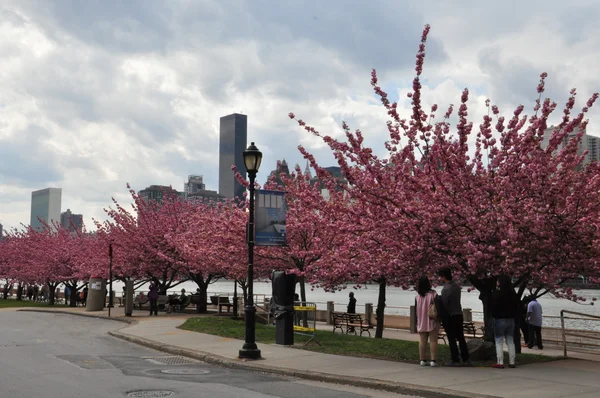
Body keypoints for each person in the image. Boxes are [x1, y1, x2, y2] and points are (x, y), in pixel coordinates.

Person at [438, 267, 470, 366]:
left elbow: (445, 304)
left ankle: (455, 359)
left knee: (451, 338)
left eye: (440, 277)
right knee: (461, 338)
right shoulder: (456, 286)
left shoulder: (445, 289)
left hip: (450, 316)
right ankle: (466, 359)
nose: (439, 279)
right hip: (458, 314)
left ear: (443, 277)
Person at [491, 275, 519, 369]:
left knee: (499, 341)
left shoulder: (497, 294)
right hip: (511, 320)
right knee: (510, 341)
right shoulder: (513, 294)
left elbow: (493, 308)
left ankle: (500, 362)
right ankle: (512, 361)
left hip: (499, 319)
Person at [415, 276, 439, 367]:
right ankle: (433, 360)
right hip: (432, 319)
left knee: (422, 340)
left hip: (421, 320)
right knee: (433, 340)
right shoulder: (433, 294)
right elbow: (438, 306)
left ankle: (422, 359)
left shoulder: (417, 296)